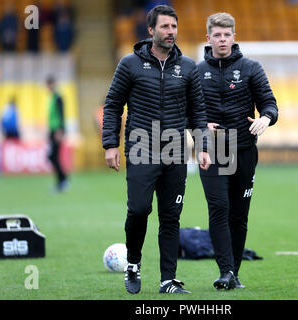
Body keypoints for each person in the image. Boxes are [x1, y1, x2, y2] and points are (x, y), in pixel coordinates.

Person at [102, 5, 211, 294]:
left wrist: (202, 146)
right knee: (139, 210)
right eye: (164, 27)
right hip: (141, 147)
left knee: (171, 216)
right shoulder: (129, 64)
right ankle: (133, 264)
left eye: (174, 27)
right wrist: (111, 144)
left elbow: (198, 112)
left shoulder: (187, 67)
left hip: (175, 150)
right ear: (151, 30)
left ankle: (168, 280)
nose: (170, 32)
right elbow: (113, 105)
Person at [197, 13, 278, 290]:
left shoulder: (251, 68)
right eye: (217, 35)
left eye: (227, 34)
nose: (222, 39)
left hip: (244, 150)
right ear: (208, 38)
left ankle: (235, 272)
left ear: (234, 36)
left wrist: (265, 118)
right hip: (212, 150)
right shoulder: (196, 72)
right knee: (219, 208)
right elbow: (184, 111)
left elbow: (270, 104)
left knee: (239, 215)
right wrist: (199, 124)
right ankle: (225, 271)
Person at [46, 77, 69, 192]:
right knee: (52, 156)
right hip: (52, 131)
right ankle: (62, 179)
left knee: (53, 156)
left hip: (56, 131)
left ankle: (62, 181)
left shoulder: (58, 98)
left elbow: (61, 114)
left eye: (49, 84)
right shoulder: (52, 98)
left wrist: (60, 130)